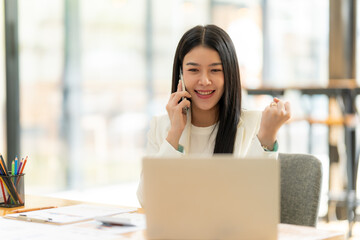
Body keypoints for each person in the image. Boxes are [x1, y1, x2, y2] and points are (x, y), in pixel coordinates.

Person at [137, 24, 291, 206]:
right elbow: (147, 201)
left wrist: (266, 137)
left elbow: (254, 203)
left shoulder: (254, 124)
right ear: (181, 74)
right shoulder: (162, 126)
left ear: (230, 74)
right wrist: (174, 133)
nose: (204, 80)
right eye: (193, 70)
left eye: (215, 70)